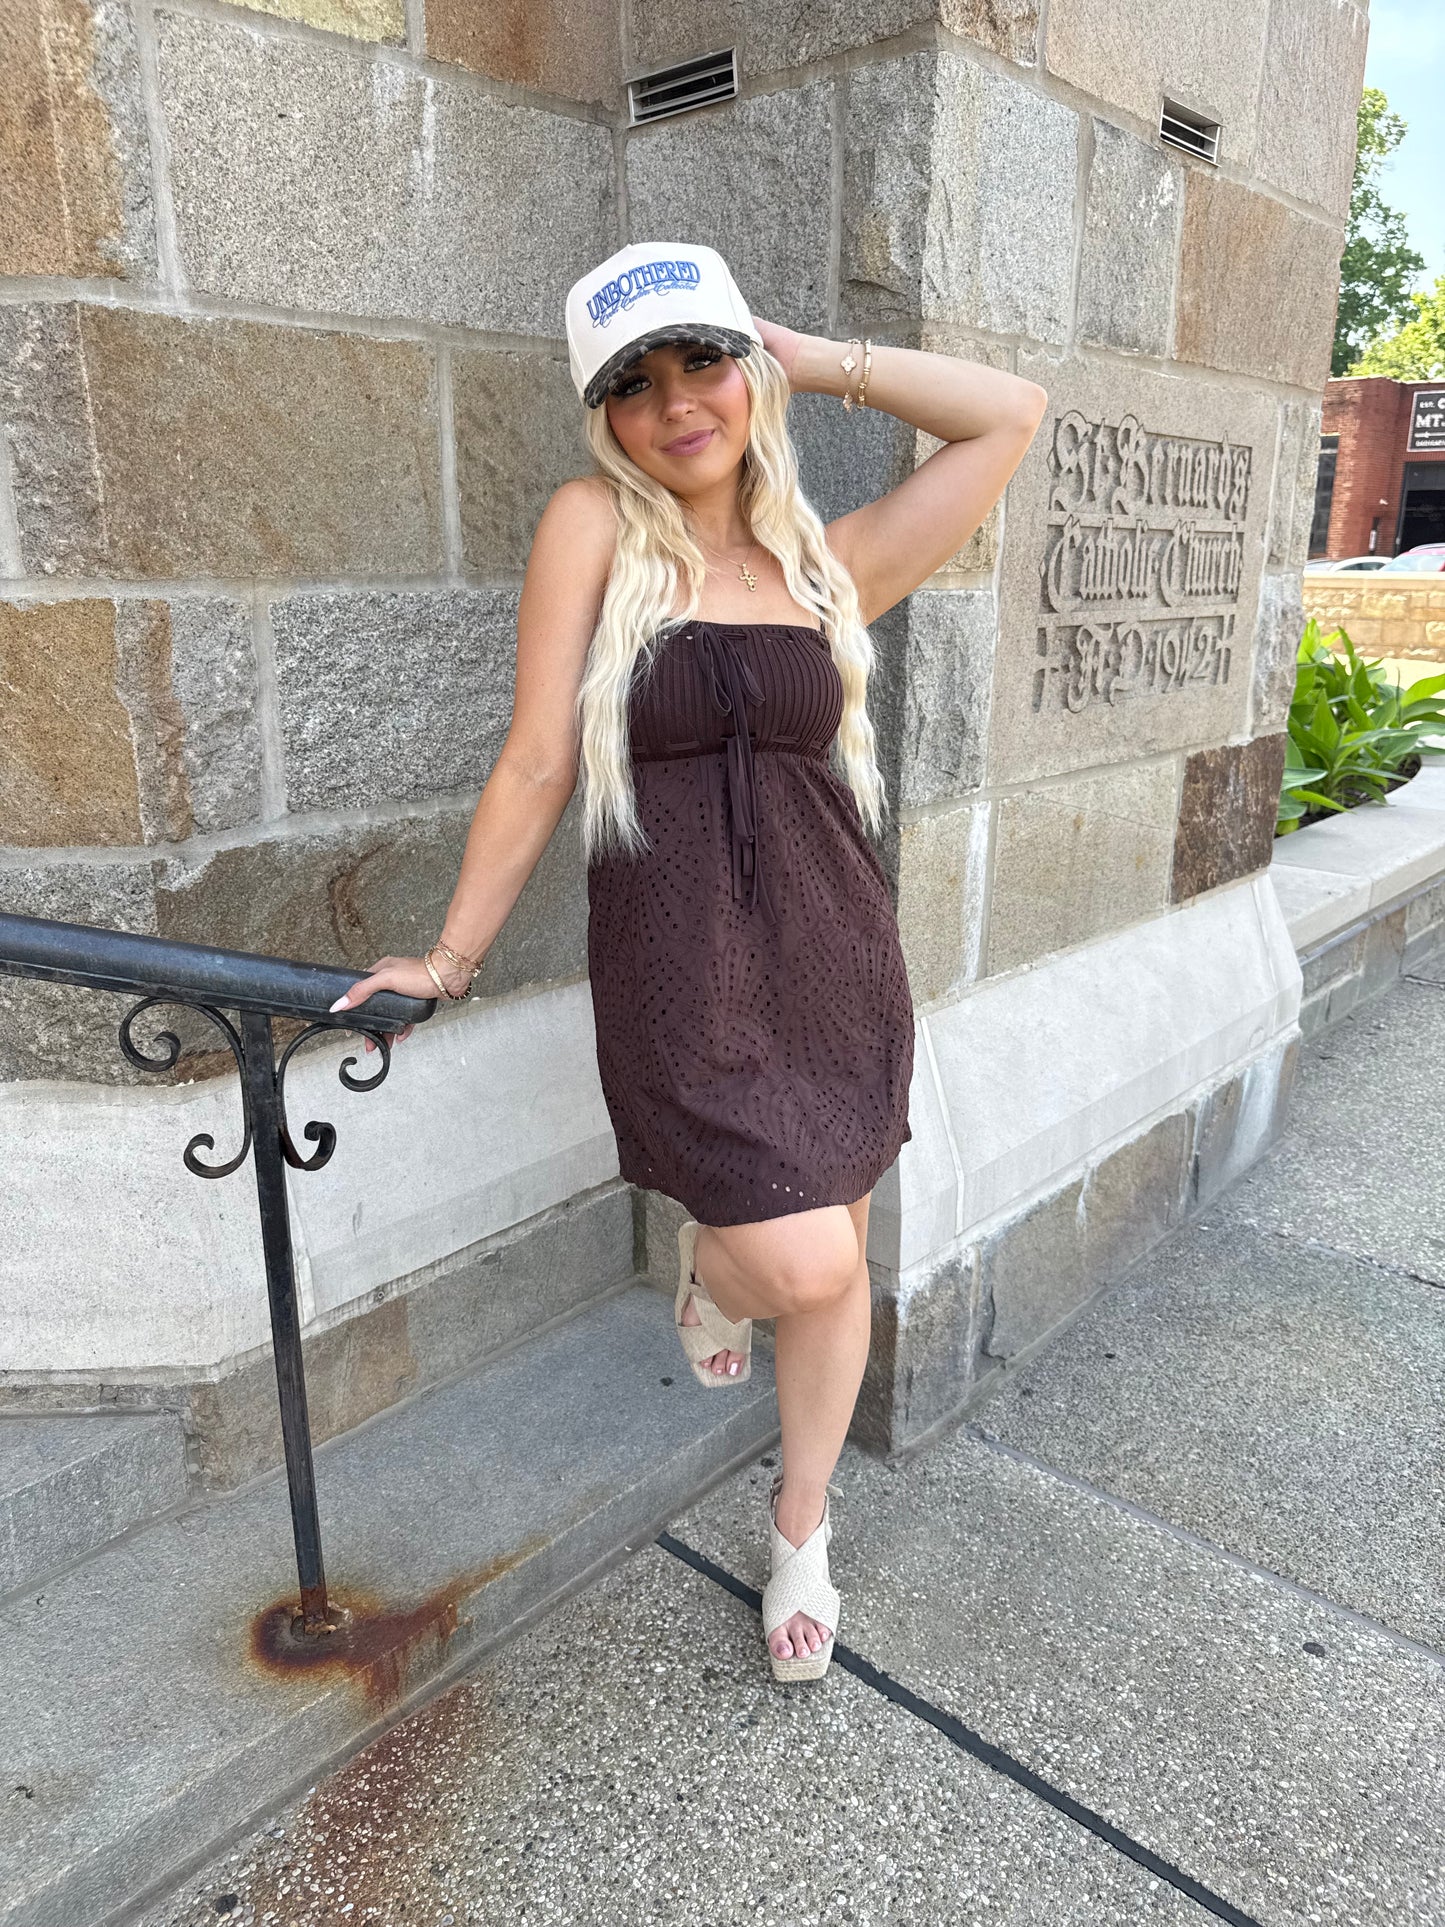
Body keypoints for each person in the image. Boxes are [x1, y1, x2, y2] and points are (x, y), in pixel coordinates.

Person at [331, 241, 1047, 1683]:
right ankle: (717, 1276)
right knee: (800, 1255)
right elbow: (539, 758)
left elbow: (1008, 416)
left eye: (702, 362)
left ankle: (801, 1527)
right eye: (635, 383)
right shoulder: (592, 524)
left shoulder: (826, 567)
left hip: (835, 954)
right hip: (679, 965)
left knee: (834, 1266)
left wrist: (808, 354)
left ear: (746, 370)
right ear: (603, 414)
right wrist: (451, 958)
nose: (676, 404)